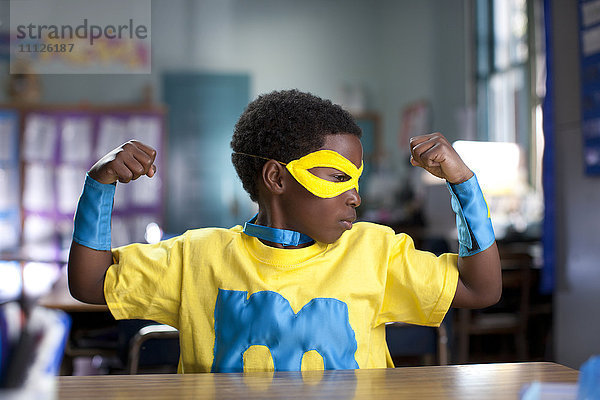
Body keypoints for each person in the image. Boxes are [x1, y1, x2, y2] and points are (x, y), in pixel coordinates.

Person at [68, 89, 501, 373]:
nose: (354, 196)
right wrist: (99, 185)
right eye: (335, 177)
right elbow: (89, 283)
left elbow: (481, 291)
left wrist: (462, 183)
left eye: (356, 180)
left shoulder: (375, 252)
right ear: (276, 178)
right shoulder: (196, 257)